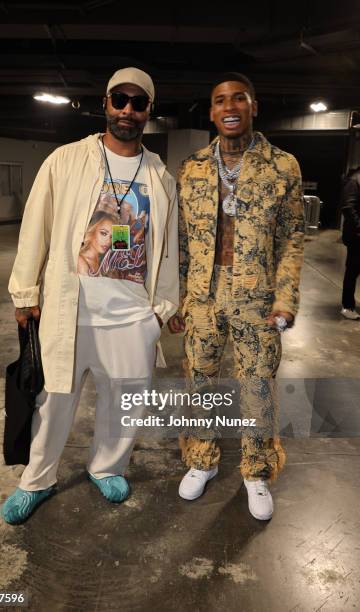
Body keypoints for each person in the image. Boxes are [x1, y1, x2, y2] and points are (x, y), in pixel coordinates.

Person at [1, 67, 179, 524]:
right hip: (71, 308)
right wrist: (25, 293)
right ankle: (36, 479)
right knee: (53, 400)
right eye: (120, 99)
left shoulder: (159, 174)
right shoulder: (66, 160)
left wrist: (159, 311)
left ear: (148, 111)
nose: (127, 109)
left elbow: (169, 246)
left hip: (130, 315)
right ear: (105, 102)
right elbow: (34, 228)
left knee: (126, 401)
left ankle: (107, 467)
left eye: (138, 103)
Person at [168, 72, 304, 520]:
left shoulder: (282, 166)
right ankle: (202, 459)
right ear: (211, 112)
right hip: (203, 297)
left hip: (257, 296)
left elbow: (291, 240)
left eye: (239, 98)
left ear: (253, 106)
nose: (230, 106)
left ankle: (256, 472)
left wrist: (285, 299)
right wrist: (181, 299)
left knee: (257, 387)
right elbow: (183, 242)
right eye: (220, 100)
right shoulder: (192, 168)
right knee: (200, 384)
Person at [340, 167, 360, 319]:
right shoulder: (355, 181)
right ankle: (347, 306)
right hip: (356, 236)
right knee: (352, 270)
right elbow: (348, 207)